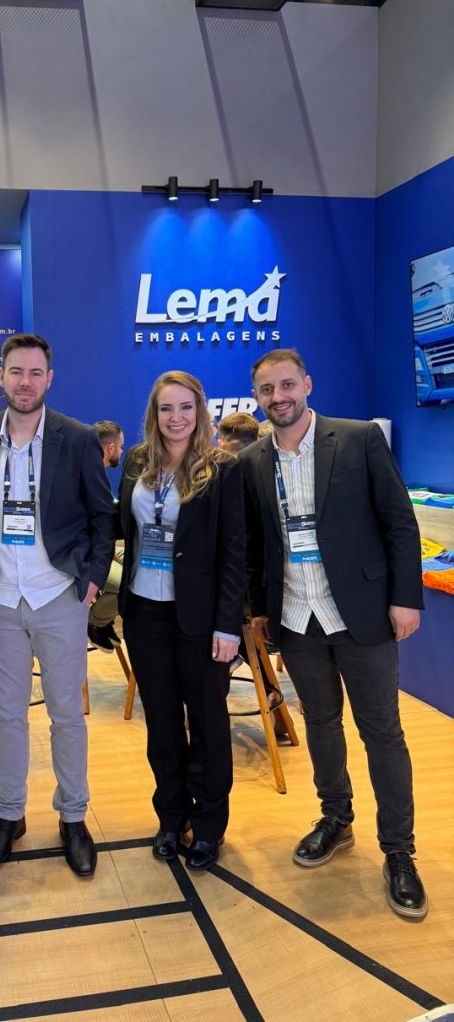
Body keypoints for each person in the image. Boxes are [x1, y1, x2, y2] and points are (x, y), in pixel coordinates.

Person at [240, 348, 427, 918]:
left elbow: (399, 522)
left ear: (307, 385)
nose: (278, 397)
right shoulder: (251, 460)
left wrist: (405, 598)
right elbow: (256, 545)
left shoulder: (358, 439)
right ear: (257, 397)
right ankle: (336, 818)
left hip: (362, 614)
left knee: (383, 734)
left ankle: (399, 851)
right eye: (267, 390)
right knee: (320, 724)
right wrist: (258, 609)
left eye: (287, 385)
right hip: (297, 618)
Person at [0, 333, 114, 876]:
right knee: (9, 716)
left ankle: (73, 816)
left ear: (50, 378)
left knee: (67, 715)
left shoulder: (78, 437)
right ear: (1, 376)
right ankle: (9, 814)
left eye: (35, 373)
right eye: (16, 372)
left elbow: (103, 514)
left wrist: (93, 579)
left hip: (58, 596)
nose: (25, 383)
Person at [117, 371, 245, 871]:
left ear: (200, 412)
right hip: (144, 611)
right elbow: (122, 527)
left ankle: (209, 825)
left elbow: (234, 552)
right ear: (154, 413)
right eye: (166, 408)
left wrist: (228, 625)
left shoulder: (222, 468)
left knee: (209, 725)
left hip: (201, 618)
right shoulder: (137, 462)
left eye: (186, 407)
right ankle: (171, 817)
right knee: (162, 724)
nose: (176, 418)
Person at [87, 420, 125, 654]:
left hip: (102, 547)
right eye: (120, 446)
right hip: (88, 554)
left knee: (138, 564)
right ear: (110, 448)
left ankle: (105, 618)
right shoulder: (88, 475)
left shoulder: (97, 473)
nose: (121, 451)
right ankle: (94, 622)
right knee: (127, 585)